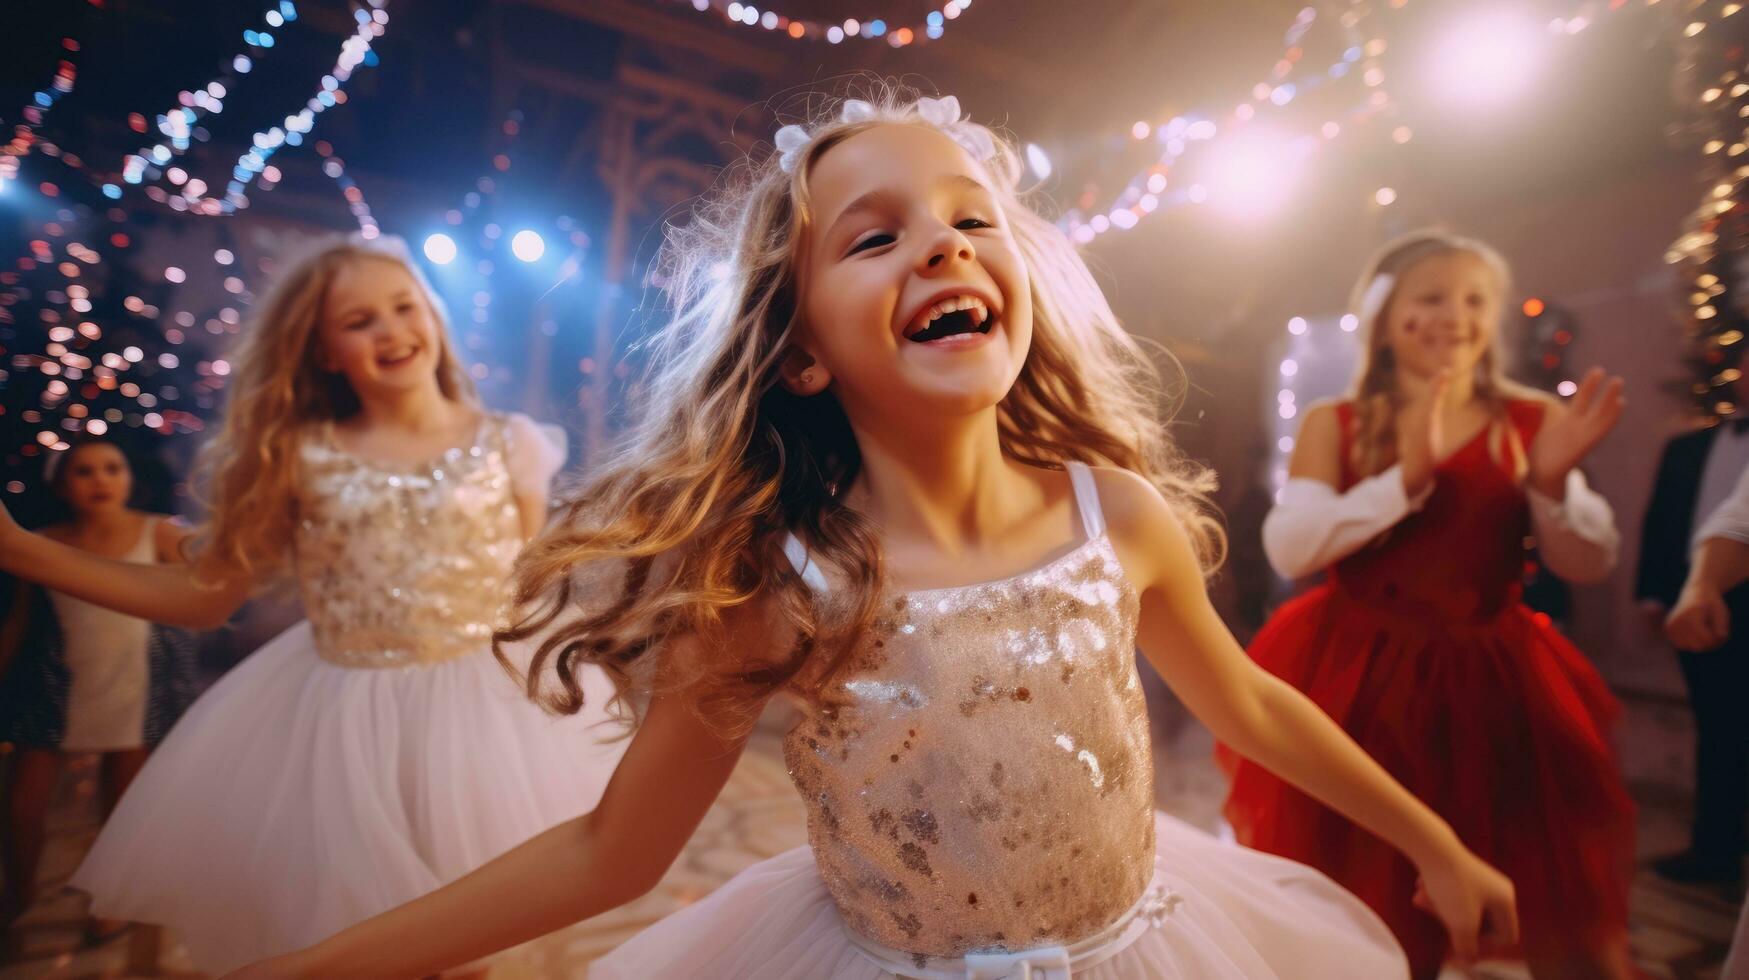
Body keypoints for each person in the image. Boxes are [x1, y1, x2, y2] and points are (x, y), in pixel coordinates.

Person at [228, 88, 1518, 980]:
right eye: (878, 234)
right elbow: (609, 849)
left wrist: (1438, 842)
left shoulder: (1110, 511)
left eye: (972, 219)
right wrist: (314, 965)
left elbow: (1247, 703)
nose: (945, 248)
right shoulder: (777, 584)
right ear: (796, 349)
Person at [0, 235, 624, 975]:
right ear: (324, 351)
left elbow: (528, 585)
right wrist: (23, 550)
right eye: (359, 321)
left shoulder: (510, 445)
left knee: (462, 938)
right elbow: (203, 600)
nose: (391, 330)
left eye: (403, 307)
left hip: (479, 720)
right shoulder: (297, 454)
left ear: (433, 315)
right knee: (356, 941)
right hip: (340, 723)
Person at [1222, 231, 1636, 979]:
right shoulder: (1336, 421)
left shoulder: (1532, 418)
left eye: (1474, 300)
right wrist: (1401, 484)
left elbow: (1589, 561)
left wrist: (1545, 485)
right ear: (1383, 316)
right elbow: (1291, 548)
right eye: (1431, 298)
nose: (1454, 316)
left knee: (1556, 891)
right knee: (1368, 897)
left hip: (1498, 676)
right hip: (1360, 681)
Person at [0, 439, 197, 947]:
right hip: (56, 687)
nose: (101, 480)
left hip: (133, 683)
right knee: (23, 803)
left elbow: (206, 581)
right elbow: (21, 621)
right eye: (84, 471)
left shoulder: (158, 533)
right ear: (61, 484)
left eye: (113, 468)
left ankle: (111, 903)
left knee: (122, 802)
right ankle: (18, 896)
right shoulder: (40, 541)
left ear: (129, 477)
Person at [1638, 378, 1749, 885]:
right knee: (1719, 728)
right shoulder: (1689, 445)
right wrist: (1697, 586)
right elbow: (1734, 522)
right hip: (1713, 601)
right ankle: (1715, 848)